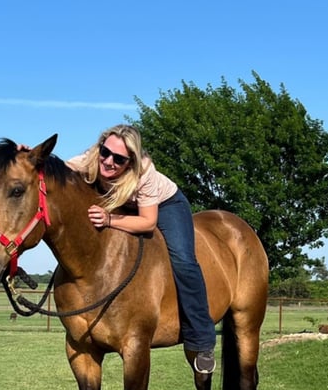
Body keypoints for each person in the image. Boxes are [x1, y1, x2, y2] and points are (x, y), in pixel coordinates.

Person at [63, 124, 217, 374]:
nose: (108, 161)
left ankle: (202, 340)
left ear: (131, 161)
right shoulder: (91, 158)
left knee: (184, 261)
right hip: (124, 204)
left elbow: (147, 221)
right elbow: (55, 171)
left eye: (119, 158)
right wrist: (23, 156)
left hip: (165, 206)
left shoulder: (145, 174)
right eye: (105, 152)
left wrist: (110, 220)